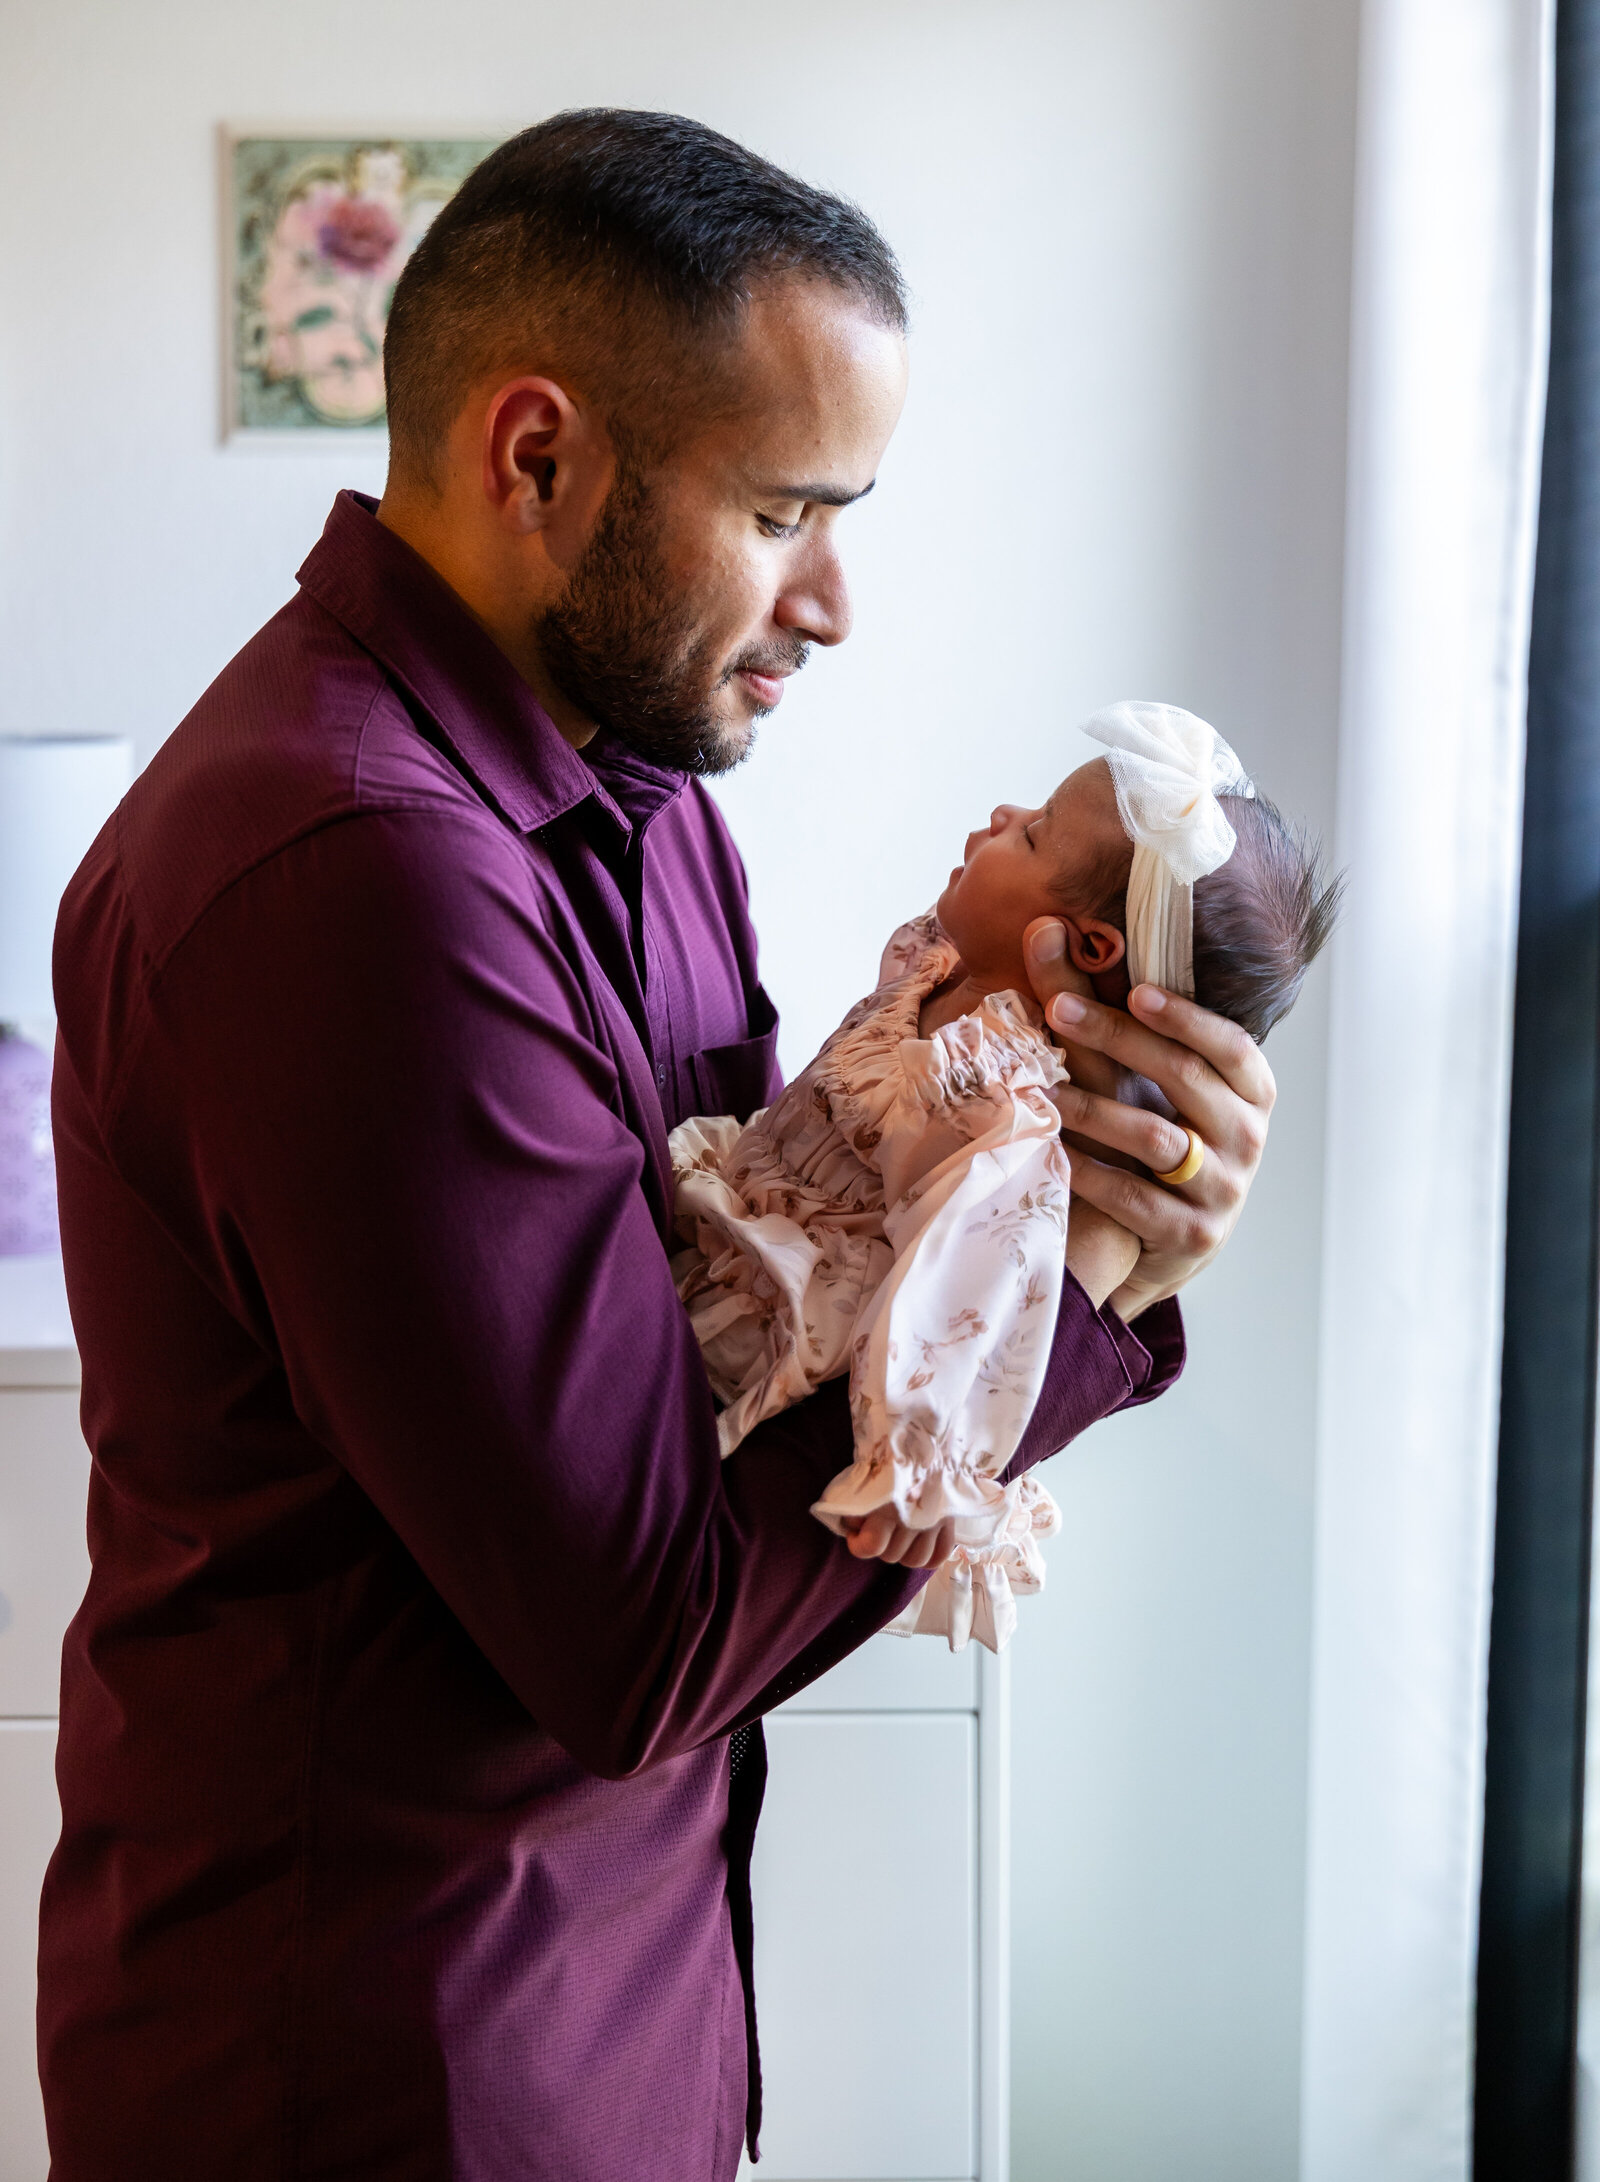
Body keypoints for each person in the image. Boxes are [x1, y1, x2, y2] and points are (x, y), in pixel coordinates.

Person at [38, 113, 1277, 2181]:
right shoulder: (362, 876)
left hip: (603, 1988)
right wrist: (1060, 1306)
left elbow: (720, 1336)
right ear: (537, 459)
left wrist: (1067, 1154)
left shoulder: (642, 797)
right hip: (377, 2055)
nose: (837, 598)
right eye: (788, 507)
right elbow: (638, 1631)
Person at [670, 703, 1338, 1653]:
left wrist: (919, 1455)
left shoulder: (1005, 1107)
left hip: (815, 1343)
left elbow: (971, 1287)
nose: (998, 815)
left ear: (1084, 947)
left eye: (1030, 835)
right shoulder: (944, 986)